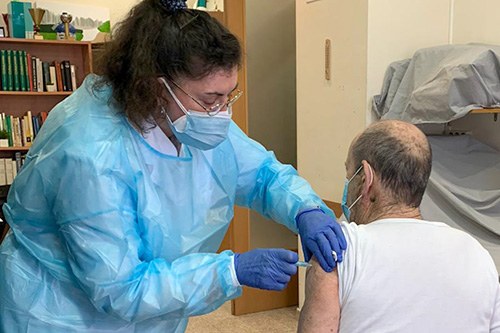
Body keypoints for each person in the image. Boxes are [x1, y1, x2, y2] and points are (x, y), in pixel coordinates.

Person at [0, 0, 347, 332]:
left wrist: (305, 208)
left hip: (149, 313)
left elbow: (260, 174)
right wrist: (230, 271)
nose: (222, 112)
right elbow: (119, 289)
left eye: (230, 95)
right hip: (60, 314)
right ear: (156, 86)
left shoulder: (190, 115)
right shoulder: (90, 154)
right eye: (212, 98)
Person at [298, 120, 500, 333]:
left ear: (366, 178)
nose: (347, 184)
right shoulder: (476, 253)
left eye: (349, 174)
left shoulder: (339, 251)